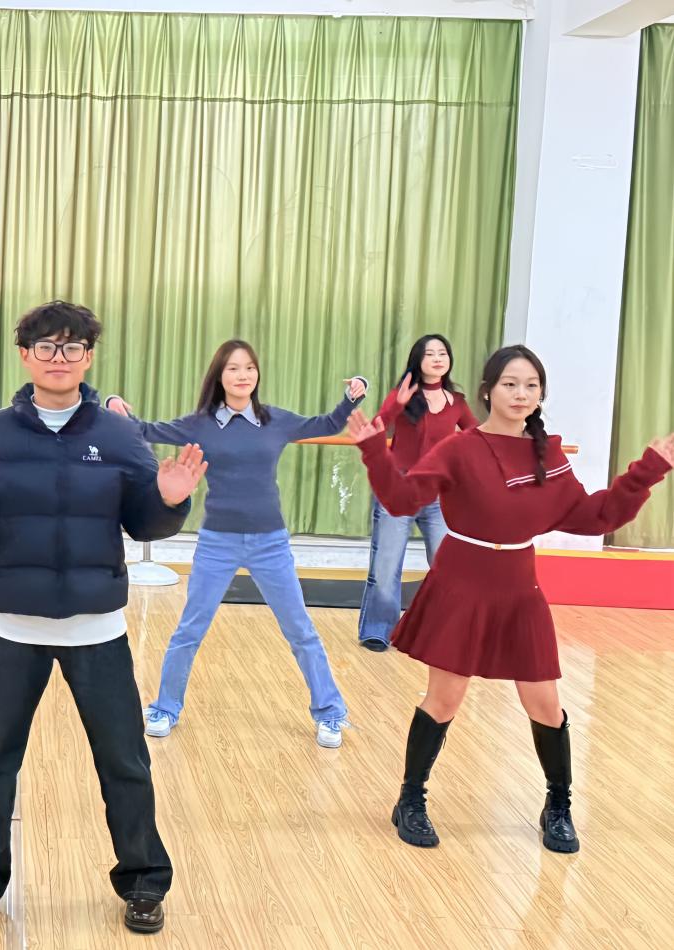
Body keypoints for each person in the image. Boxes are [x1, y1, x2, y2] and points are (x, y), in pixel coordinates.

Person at [0, 301, 206, 935]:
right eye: (47, 347)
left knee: (125, 761)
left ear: (89, 357)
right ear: (25, 356)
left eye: (72, 348)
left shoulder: (119, 436)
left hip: (96, 630)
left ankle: (144, 881)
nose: (60, 358)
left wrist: (169, 501)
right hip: (12, 629)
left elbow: (145, 523)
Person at [347, 344, 674, 852]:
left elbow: (597, 516)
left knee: (546, 704)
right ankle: (410, 799)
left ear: (541, 394)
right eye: (510, 384)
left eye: (531, 385)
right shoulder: (459, 449)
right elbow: (402, 499)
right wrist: (374, 450)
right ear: (487, 391)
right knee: (444, 699)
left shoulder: (548, 457)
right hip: (461, 583)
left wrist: (647, 471)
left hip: (520, 588)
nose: (521, 394)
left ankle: (558, 805)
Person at [107, 340, 366, 748]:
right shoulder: (201, 424)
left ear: (257, 374)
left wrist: (353, 395)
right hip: (217, 543)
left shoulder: (275, 420)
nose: (242, 375)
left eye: (249, 368)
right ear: (220, 376)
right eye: (233, 368)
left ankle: (330, 712)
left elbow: (328, 423)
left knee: (300, 629)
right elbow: (145, 430)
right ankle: (165, 707)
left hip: (271, 543)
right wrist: (114, 406)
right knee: (190, 629)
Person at [357, 334, 477, 650]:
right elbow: (375, 427)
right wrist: (396, 404)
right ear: (418, 361)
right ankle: (378, 630)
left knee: (447, 565)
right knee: (386, 564)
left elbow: (478, 438)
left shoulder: (457, 402)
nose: (437, 358)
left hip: (439, 494)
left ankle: (443, 630)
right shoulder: (403, 395)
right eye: (429, 353)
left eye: (442, 353)